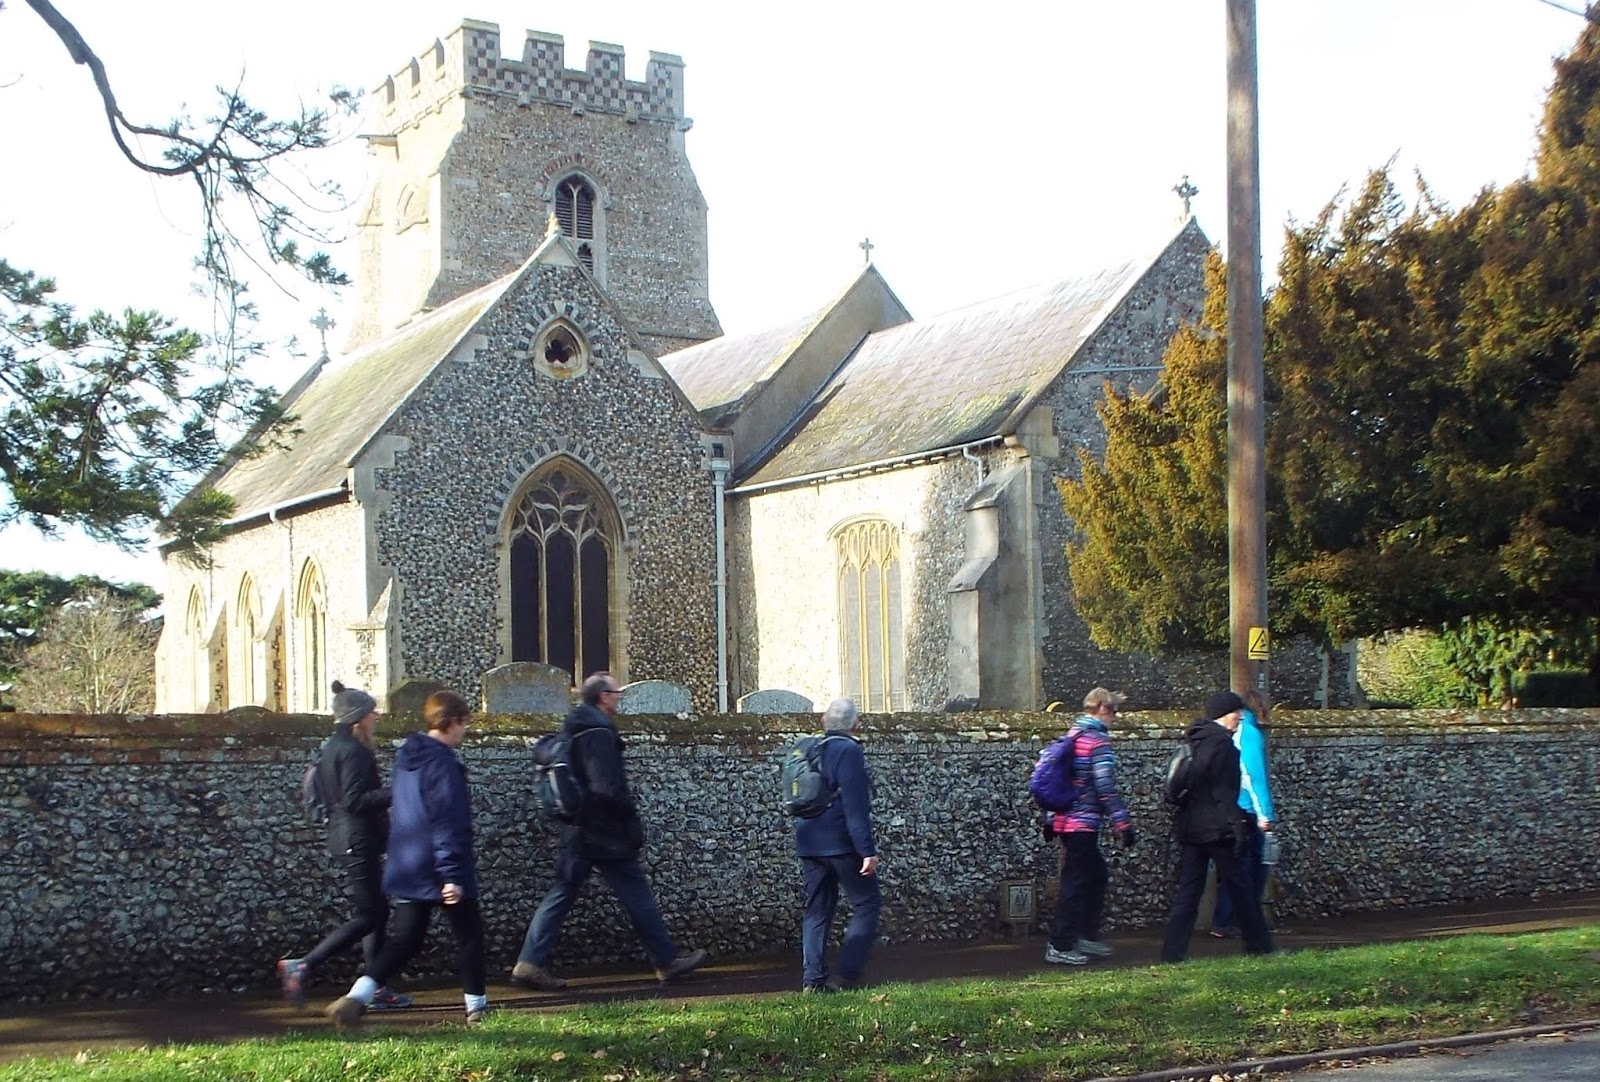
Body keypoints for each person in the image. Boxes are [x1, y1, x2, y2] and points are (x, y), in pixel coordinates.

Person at [510, 672, 708, 990]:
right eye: (616, 692)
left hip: (578, 829)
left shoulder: (573, 728)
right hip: (603, 831)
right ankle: (666, 962)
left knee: (562, 893)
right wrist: (628, 817)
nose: (620, 697)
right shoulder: (598, 733)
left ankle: (528, 962)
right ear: (603, 697)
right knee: (636, 893)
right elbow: (607, 787)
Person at [326, 691, 489, 1029]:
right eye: (464, 724)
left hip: (408, 863)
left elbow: (402, 810)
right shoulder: (443, 764)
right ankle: (477, 1009)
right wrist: (452, 875)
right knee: (470, 936)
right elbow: (446, 821)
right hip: (439, 867)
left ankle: (356, 998)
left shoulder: (407, 757)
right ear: (453, 722)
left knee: (405, 940)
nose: (465, 731)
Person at [277, 682, 411, 1010]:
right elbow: (354, 801)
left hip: (347, 838)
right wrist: (401, 790)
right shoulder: (354, 751)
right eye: (370, 712)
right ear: (357, 719)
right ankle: (305, 964)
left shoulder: (331, 747)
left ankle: (376, 986)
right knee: (372, 913)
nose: (376, 716)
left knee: (376, 913)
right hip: (356, 838)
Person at [1160, 691, 1274, 962]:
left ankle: (1172, 953)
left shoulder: (1195, 741)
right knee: (1242, 887)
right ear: (1226, 714)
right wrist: (1238, 827)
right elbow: (1225, 793)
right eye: (1237, 712)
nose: (1240, 717)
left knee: (1188, 892)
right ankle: (1259, 945)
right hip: (1218, 830)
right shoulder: (1224, 747)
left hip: (1191, 828)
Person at [1037, 687, 1136, 966]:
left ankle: (1084, 935)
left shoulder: (1071, 736)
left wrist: (1049, 819)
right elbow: (1105, 787)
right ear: (1103, 709)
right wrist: (1123, 824)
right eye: (1114, 711)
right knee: (1076, 883)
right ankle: (1060, 944)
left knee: (1096, 875)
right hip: (1083, 824)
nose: (1116, 717)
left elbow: (1055, 779)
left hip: (1064, 821)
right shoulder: (1097, 742)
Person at [793, 697, 881, 992]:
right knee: (867, 903)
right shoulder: (849, 750)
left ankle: (812, 981)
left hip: (808, 842)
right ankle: (844, 977)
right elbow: (856, 807)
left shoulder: (806, 747)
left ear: (822, 722)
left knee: (817, 910)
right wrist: (867, 851)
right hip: (841, 844)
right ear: (855, 725)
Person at [1209, 688, 1277, 938]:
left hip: (1228, 808)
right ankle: (1241, 920)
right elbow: (1253, 775)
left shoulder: (1230, 733)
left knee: (1235, 867)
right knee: (1251, 869)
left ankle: (1228, 920)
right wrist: (1265, 814)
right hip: (1246, 810)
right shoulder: (1249, 733)